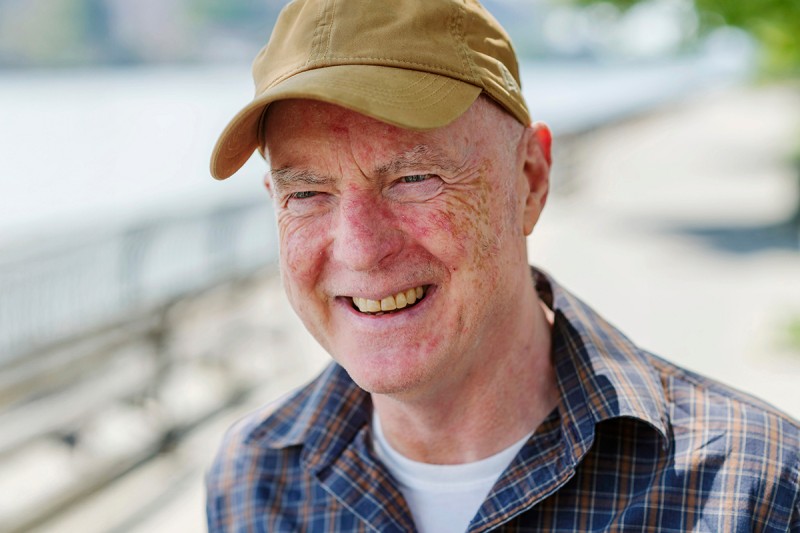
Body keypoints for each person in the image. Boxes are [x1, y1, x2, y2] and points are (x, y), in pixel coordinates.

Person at [206, 0, 800, 531]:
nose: (359, 249)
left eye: (415, 179)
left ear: (531, 179)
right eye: (307, 193)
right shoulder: (253, 482)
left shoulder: (752, 488)